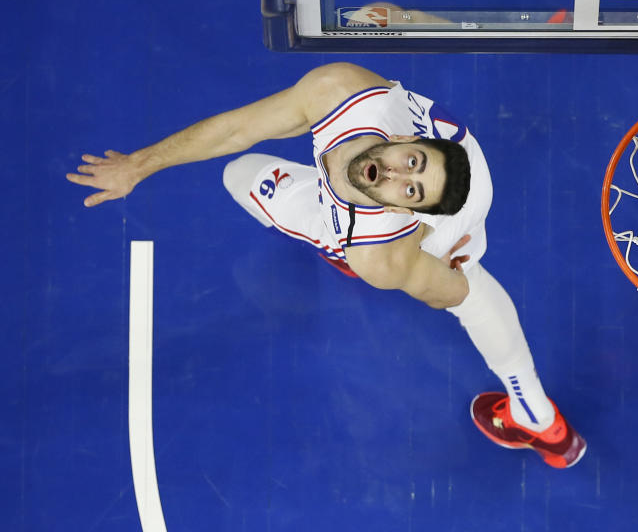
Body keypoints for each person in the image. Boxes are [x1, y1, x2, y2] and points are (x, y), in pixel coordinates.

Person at [66, 62, 586, 469]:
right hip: (451, 167)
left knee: (467, 285)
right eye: (412, 161)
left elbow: (452, 293)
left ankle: (538, 418)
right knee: (238, 171)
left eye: (410, 189)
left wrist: (442, 264)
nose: (397, 172)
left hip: (412, 232)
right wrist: (138, 164)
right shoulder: (342, 91)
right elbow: (236, 132)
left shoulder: (381, 253)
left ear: (410, 213)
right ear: (408, 137)